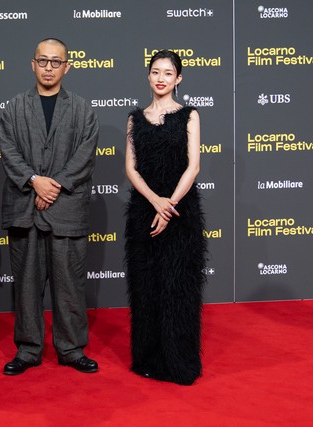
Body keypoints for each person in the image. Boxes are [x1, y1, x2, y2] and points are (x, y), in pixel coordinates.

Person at [0, 38, 99, 375]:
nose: (49, 67)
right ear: (33, 64)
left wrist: (52, 186)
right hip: (24, 210)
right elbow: (8, 150)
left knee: (70, 285)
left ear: (66, 67)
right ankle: (28, 350)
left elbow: (85, 155)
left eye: (56, 62)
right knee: (26, 286)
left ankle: (71, 349)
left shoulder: (83, 109)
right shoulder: (14, 107)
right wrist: (33, 181)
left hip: (66, 210)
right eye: (43, 61)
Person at [124, 49, 207, 385]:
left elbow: (193, 166)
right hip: (143, 212)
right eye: (156, 72)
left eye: (168, 73)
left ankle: (178, 362)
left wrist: (169, 204)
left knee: (178, 289)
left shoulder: (189, 115)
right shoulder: (135, 119)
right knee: (146, 288)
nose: (161, 78)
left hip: (180, 213)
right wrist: (155, 201)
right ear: (148, 75)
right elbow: (131, 169)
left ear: (178, 78)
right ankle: (148, 359)